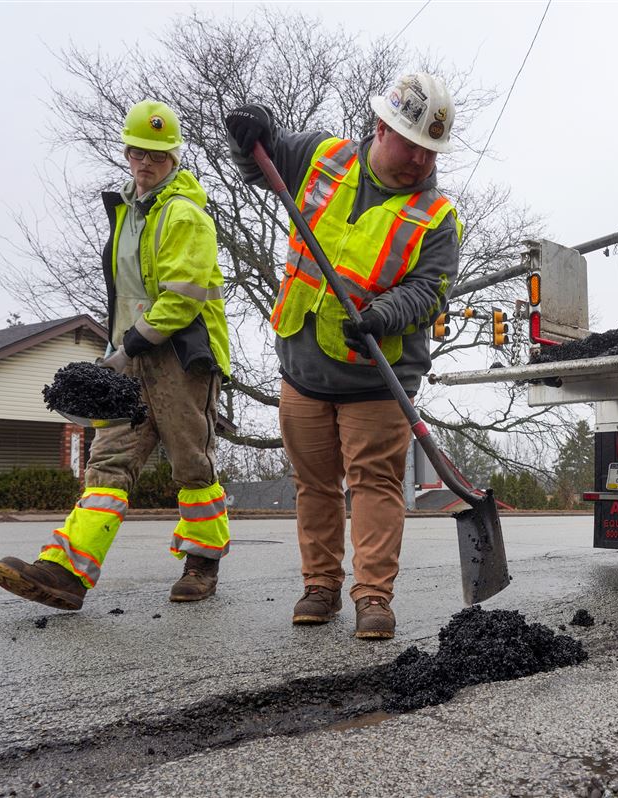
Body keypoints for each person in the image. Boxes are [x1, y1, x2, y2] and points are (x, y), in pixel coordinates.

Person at [224, 72, 461, 640]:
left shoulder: (436, 217)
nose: (420, 163)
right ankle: (321, 586)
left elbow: (430, 291)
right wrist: (248, 132)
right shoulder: (322, 157)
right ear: (382, 127)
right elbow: (262, 160)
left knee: (376, 484)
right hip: (302, 368)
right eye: (412, 146)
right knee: (315, 484)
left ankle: (373, 597)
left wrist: (384, 315)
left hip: (377, 380)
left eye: (431, 153)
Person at [0, 100, 232, 610]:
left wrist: (127, 350)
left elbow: (182, 297)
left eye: (158, 155)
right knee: (107, 463)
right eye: (139, 152)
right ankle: (67, 572)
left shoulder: (185, 215)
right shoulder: (126, 210)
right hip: (129, 352)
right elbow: (126, 294)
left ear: (173, 159)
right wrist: (114, 351)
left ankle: (202, 562)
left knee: (191, 463)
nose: (147, 162)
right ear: (126, 153)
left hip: (181, 359)